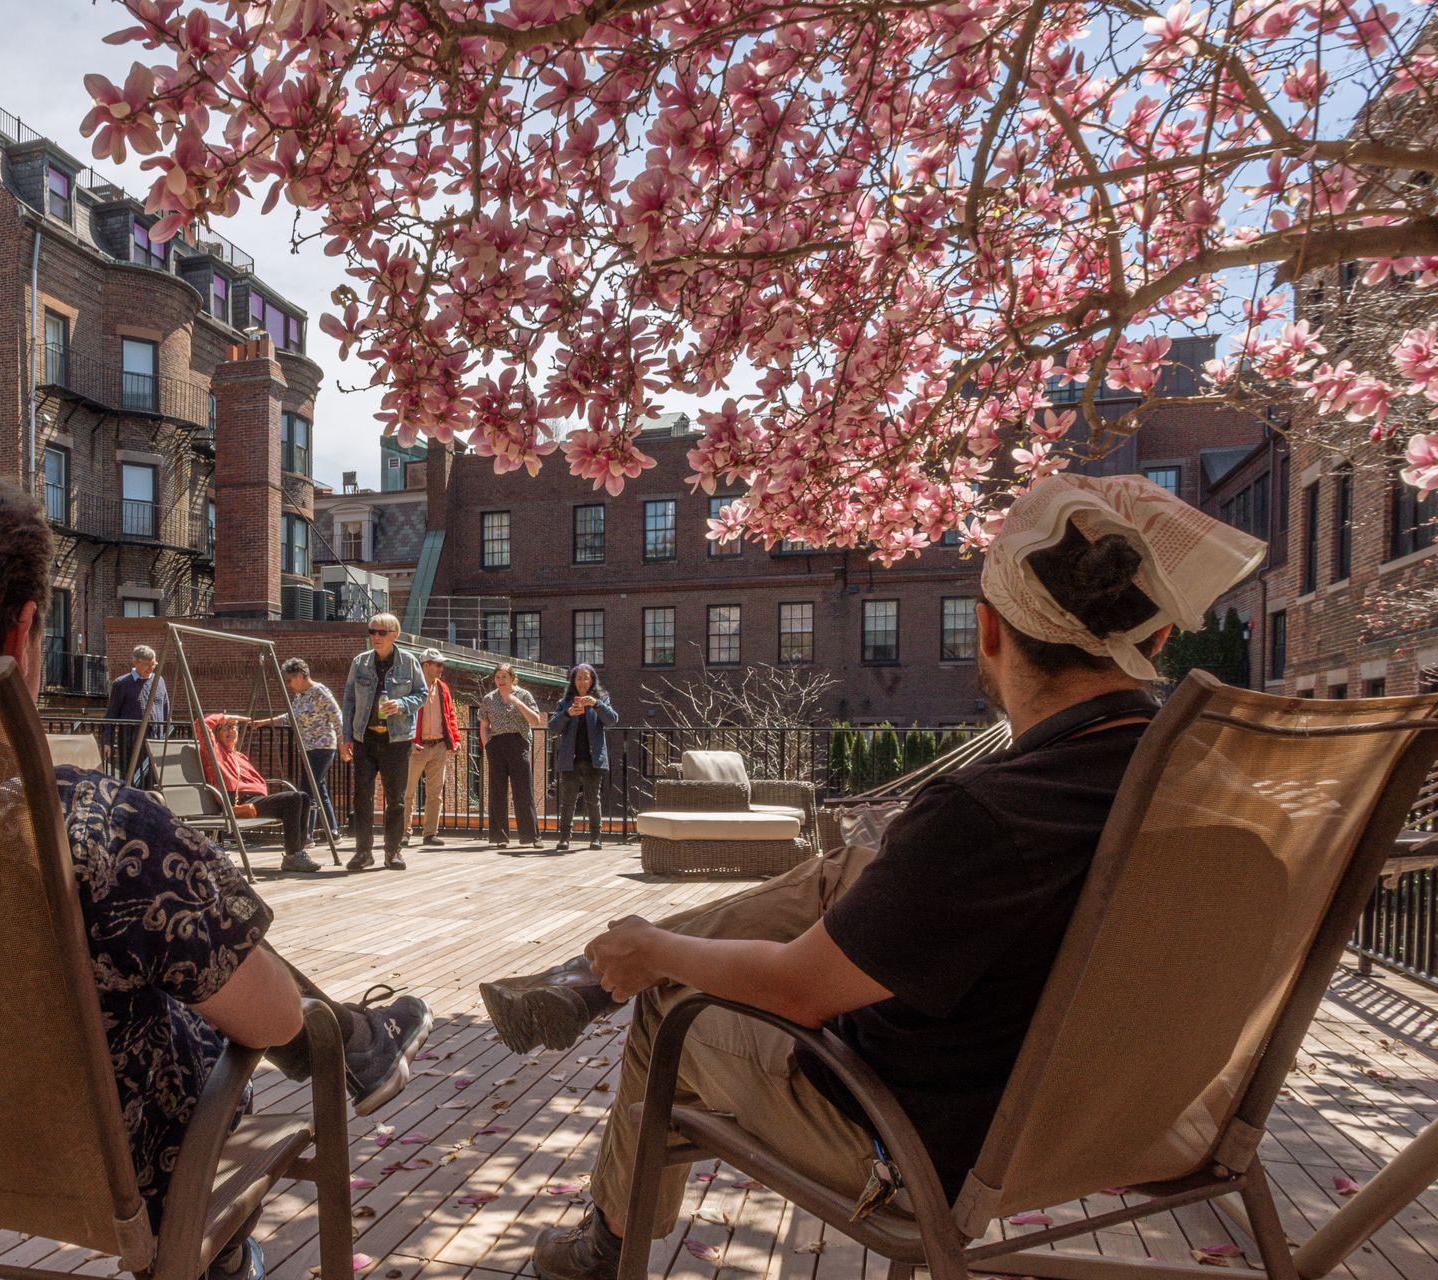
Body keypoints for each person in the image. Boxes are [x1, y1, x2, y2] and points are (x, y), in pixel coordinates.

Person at [485, 474, 1266, 1280]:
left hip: (915, 1140)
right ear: (1160, 641)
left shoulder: (989, 812)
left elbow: (795, 992)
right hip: (1142, 1118)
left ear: (989, 632)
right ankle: (586, 976)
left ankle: (605, 1243)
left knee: (663, 1004)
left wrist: (656, 950)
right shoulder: (1225, 800)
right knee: (848, 870)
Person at [0, 474, 434, 1263]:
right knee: (223, 990)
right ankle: (350, 1048)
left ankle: (354, 1036)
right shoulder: (92, 825)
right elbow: (274, 1020)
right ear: (22, 635)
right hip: (108, 1157)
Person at [339, 614, 427, 872]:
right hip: (364, 739)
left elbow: (422, 694)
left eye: (381, 632)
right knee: (361, 797)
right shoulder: (360, 662)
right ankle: (363, 852)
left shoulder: (409, 662)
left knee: (396, 799)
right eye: (372, 631)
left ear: (394, 635)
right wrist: (346, 738)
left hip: (397, 740)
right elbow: (348, 702)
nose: (375, 637)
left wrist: (400, 705)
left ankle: (393, 852)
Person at [199, 713, 320, 874]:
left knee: (303, 797)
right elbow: (201, 724)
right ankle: (293, 856)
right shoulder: (214, 752)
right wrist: (227, 716)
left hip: (257, 801)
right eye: (225, 727)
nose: (231, 731)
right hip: (239, 802)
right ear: (216, 733)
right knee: (295, 797)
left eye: (234, 727)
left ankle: (298, 852)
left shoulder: (239, 756)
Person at [272, 657, 342, 841]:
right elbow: (290, 717)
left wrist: (344, 743)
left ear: (301, 676)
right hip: (308, 748)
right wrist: (266, 722)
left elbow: (336, 716)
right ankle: (333, 830)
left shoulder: (319, 691)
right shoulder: (299, 697)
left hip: (322, 746)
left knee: (307, 788)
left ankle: (306, 834)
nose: (289, 685)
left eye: (289, 680)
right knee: (318, 786)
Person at [548, 664, 617, 851]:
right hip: (570, 757)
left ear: (592, 680)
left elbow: (612, 720)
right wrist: (567, 714)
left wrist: (596, 704)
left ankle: (596, 837)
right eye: (579, 678)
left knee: (592, 799)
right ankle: (564, 838)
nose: (582, 682)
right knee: (568, 799)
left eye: (586, 678)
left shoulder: (602, 698)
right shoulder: (565, 702)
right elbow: (553, 726)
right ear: (573, 681)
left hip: (593, 758)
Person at [478, 663, 543, 850]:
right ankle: (500, 837)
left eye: (504, 677)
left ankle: (532, 836)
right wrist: (487, 745)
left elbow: (535, 720)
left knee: (523, 790)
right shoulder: (489, 699)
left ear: (512, 678)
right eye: (497, 677)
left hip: (518, 743)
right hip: (496, 745)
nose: (500, 681)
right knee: (497, 792)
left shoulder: (524, 695)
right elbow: (484, 725)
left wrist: (518, 703)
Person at [405, 648, 461, 848]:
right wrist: (409, 741)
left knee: (435, 793)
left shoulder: (443, 688)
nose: (441, 668)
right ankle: (404, 832)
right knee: (407, 792)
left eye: (441, 664)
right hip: (416, 747)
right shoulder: (410, 686)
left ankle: (430, 833)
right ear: (425, 665)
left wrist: (455, 738)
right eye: (437, 664)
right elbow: (404, 716)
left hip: (438, 746)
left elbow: (450, 715)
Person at [103, 644, 168, 784]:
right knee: (133, 782)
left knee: (154, 782)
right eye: (147, 665)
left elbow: (166, 710)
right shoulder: (121, 684)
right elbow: (112, 714)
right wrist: (107, 741)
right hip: (131, 743)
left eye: (154, 664)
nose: (151, 668)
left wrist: (166, 737)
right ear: (136, 662)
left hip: (156, 741)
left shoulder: (159, 681)